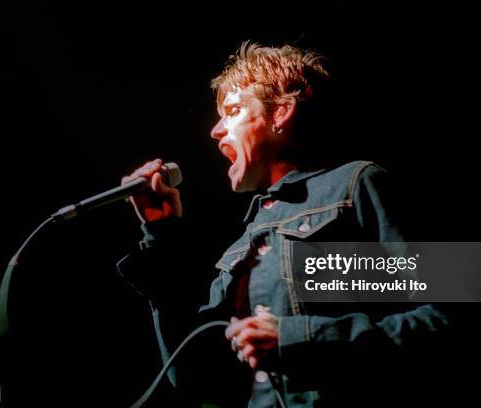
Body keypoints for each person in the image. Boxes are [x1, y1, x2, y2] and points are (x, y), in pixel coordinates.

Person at [118, 42, 450, 407]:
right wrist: (162, 236)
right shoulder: (243, 243)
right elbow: (198, 377)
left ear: (280, 113)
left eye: (233, 110)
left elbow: (441, 320)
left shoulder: (356, 187)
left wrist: (299, 338)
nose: (215, 131)